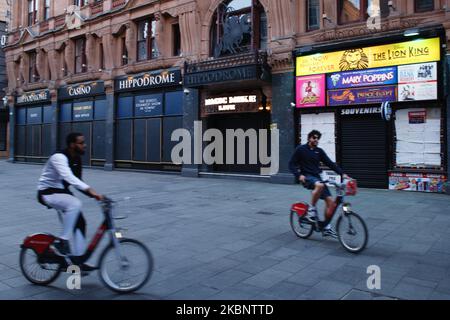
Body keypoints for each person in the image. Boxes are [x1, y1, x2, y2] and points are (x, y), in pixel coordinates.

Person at [37, 132, 103, 268]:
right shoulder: (59, 157)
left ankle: (79, 261)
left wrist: (95, 196)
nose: (85, 145)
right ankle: (63, 241)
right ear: (72, 145)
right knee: (75, 203)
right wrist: (91, 190)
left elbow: (78, 182)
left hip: (62, 193)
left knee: (80, 223)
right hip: (47, 193)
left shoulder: (76, 159)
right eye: (81, 143)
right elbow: (68, 177)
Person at [289, 130, 350, 238]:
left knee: (331, 203)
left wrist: (343, 174)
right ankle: (312, 210)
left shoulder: (319, 151)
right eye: (314, 138)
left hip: (317, 178)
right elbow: (291, 164)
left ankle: (326, 227)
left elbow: (330, 164)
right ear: (309, 138)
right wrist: (298, 175)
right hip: (307, 177)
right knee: (320, 185)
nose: (316, 140)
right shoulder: (301, 149)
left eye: (317, 138)